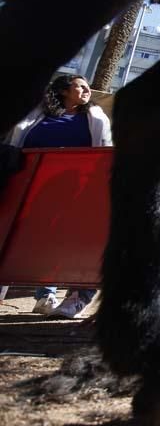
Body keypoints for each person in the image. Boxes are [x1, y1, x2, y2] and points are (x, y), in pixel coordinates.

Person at [4, 75, 112, 318]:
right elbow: (16, 144)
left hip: (75, 191)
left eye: (87, 87)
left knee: (74, 240)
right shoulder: (35, 114)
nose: (86, 91)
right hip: (30, 189)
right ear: (64, 91)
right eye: (80, 86)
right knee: (20, 238)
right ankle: (45, 296)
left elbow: (103, 153)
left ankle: (75, 298)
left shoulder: (94, 118)